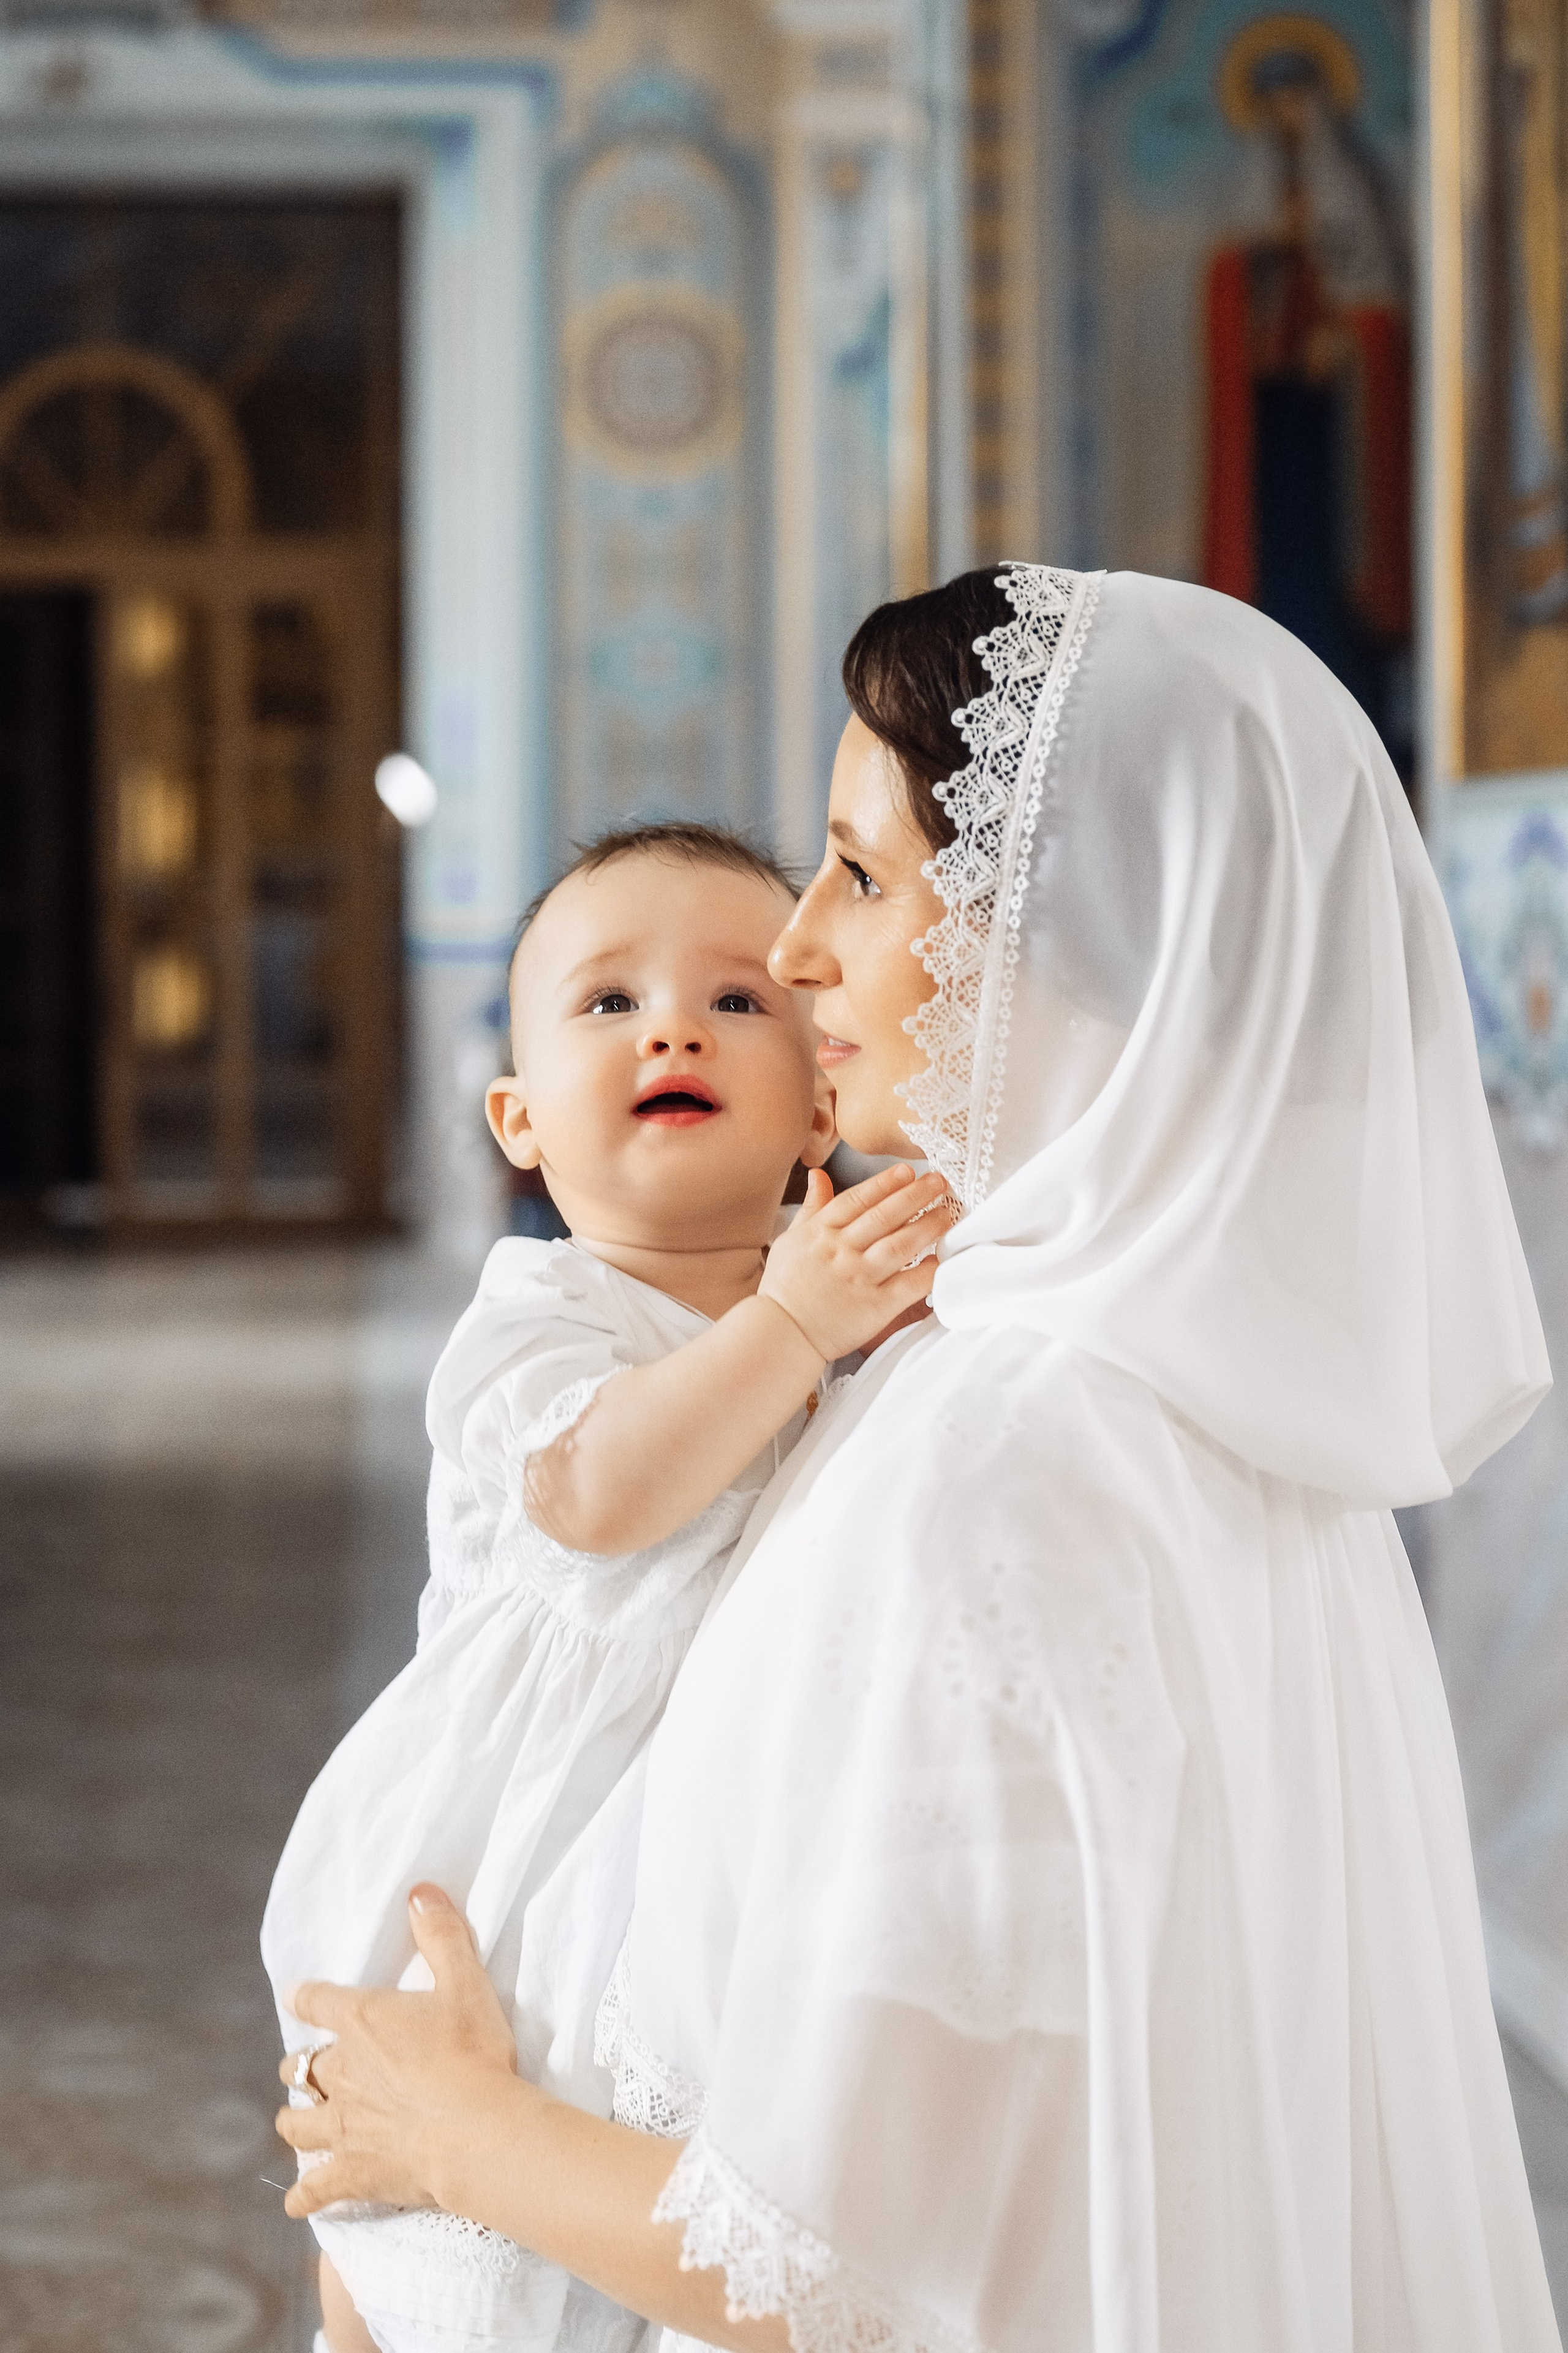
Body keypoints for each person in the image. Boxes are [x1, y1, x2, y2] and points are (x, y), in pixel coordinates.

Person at [277, 567, 1563, 2353]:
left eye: (861, 877)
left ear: (1066, 936)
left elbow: (839, 2265)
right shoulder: (1153, 1382)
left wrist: (455, 2133)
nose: (796, 952)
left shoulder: (1017, 1464)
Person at [262, 820, 949, 2353]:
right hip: (514, 1849)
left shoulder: (829, 1277)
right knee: (420, 2256)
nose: (674, 1027)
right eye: (607, 1003)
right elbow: (594, 1493)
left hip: (715, 1857)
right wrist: (793, 1323)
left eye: (737, 998)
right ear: (518, 1119)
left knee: (651, 2242)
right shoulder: (538, 1316)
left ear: (818, 1098)